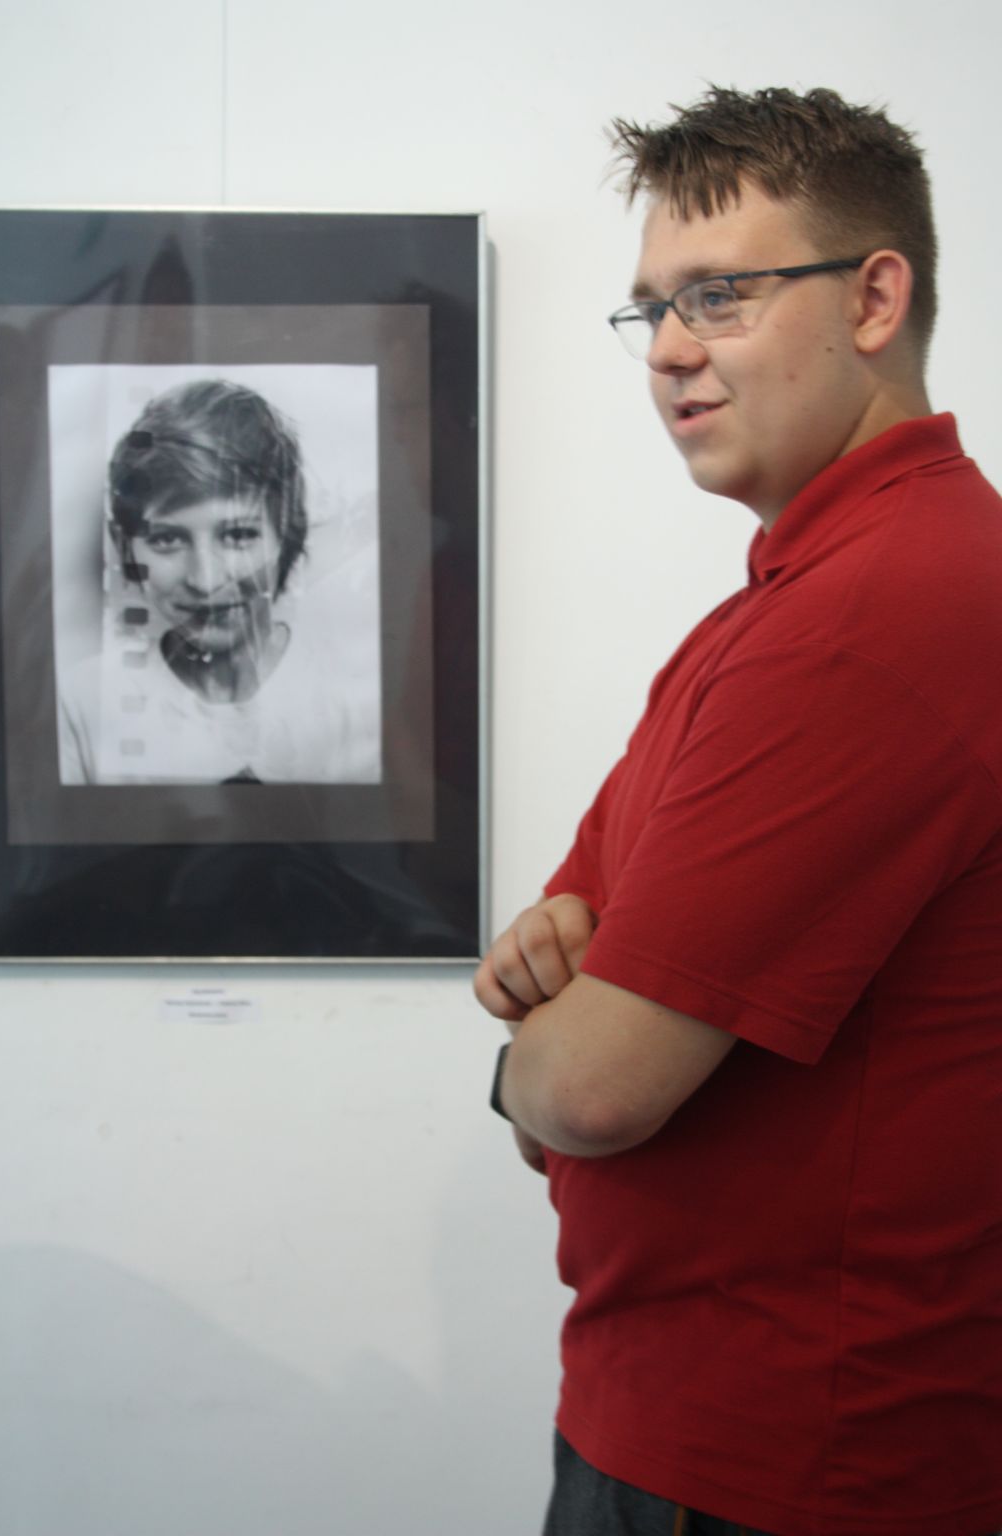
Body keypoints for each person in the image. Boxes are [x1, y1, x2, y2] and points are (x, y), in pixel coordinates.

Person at [475, 87, 1002, 1536]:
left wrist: (526, 1068)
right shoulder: (778, 608)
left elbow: (588, 1089)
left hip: (785, 1452)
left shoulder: (879, 610)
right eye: (650, 307)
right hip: (713, 1418)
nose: (666, 349)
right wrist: (558, 1037)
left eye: (719, 296)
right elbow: (558, 984)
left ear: (875, 299)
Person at [58, 377, 380, 785]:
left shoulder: (361, 696)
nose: (205, 581)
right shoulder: (82, 703)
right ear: (126, 547)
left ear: (286, 534)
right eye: (167, 540)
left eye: (238, 535)